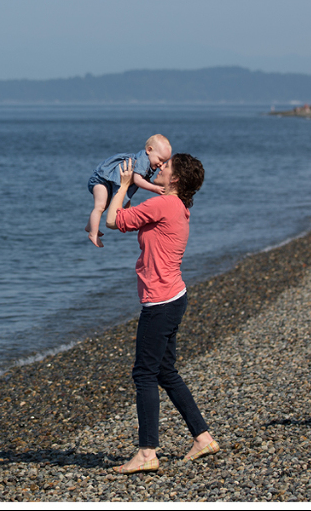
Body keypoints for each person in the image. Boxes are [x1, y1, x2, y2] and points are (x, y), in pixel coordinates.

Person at [104, 154, 218, 474]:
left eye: (165, 167)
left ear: (176, 180)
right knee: (165, 372)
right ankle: (203, 437)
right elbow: (141, 210)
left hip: (160, 302)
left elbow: (114, 221)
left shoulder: (164, 205)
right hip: (174, 297)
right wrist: (137, 185)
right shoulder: (176, 205)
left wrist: (123, 186)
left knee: (144, 374)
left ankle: (147, 452)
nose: (158, 168)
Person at [86, 134, 172, 248]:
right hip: (101, 179)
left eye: (164, 161)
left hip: (109, 182)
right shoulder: (143, 161)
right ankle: (93, 233)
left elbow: (141, 180)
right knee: (100, 206)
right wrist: (154, 188)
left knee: (105, 205)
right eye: (160, 160)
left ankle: (90, 226)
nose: (161, 164)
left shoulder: (149, 164)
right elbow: (137, 180)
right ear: (149, 150)